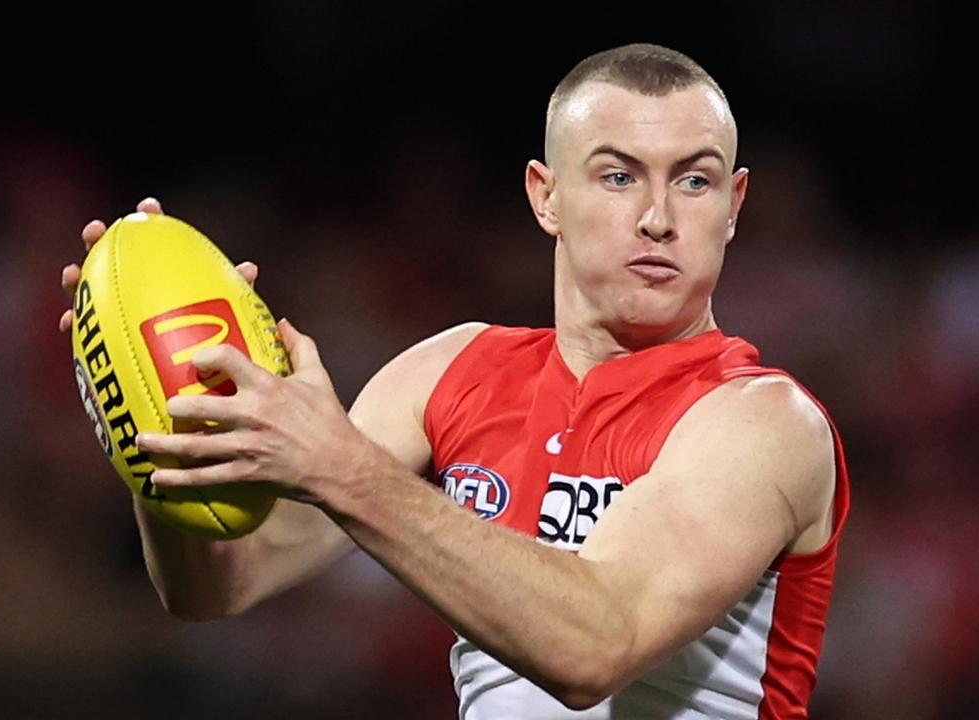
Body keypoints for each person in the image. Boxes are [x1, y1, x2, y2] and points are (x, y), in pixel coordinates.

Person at [58, 43, 850, 719]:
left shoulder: (766, 424)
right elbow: (221, 584)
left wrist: (344, 468)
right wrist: (158, 413)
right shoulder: (452, 369)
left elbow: (596, 644)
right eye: (617, 178)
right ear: (547, 197)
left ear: (735, 204)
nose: (656, 216)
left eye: (694, 180)